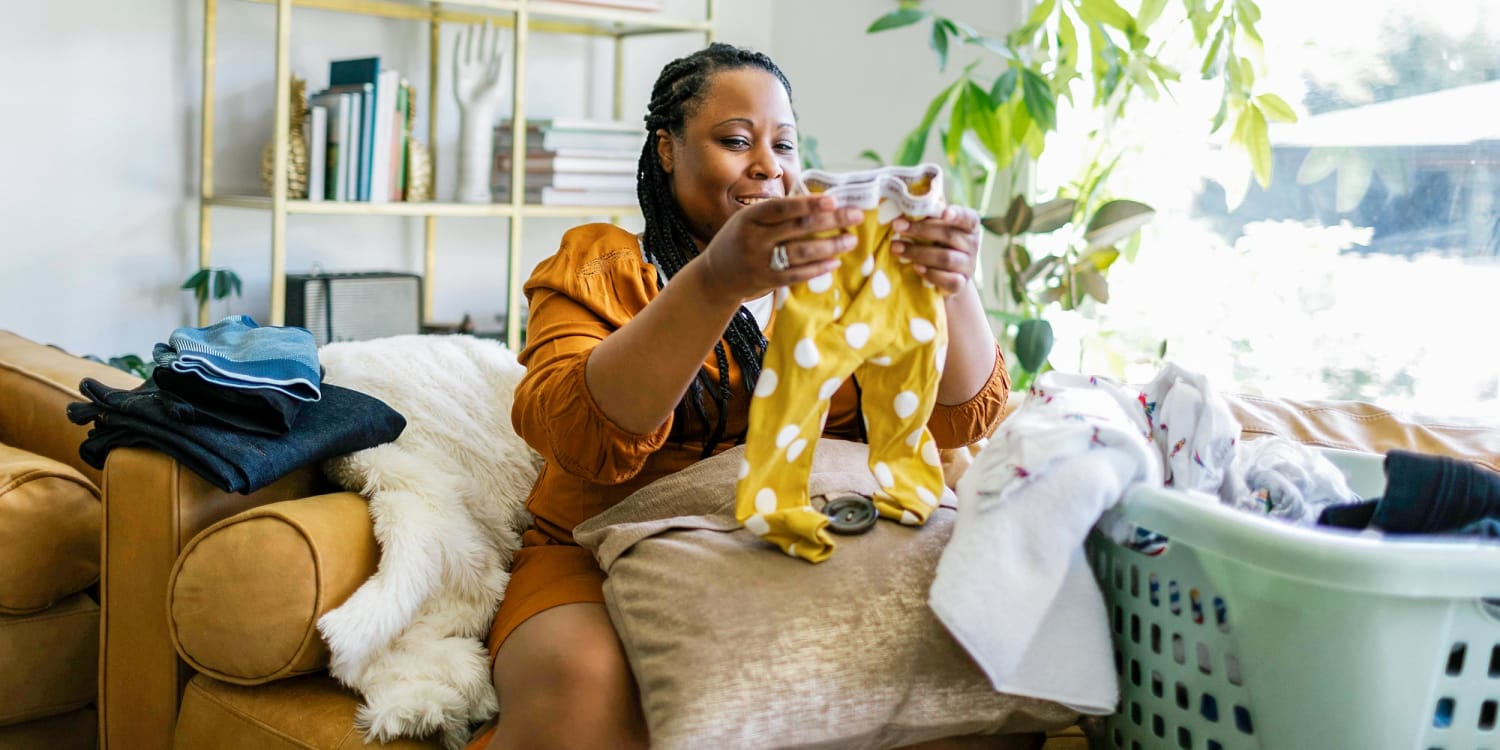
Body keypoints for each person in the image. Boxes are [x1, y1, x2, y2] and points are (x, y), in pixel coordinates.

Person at [469, 43, 1025, 750]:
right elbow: (579, 436)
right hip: (599, 547)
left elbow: (960, 418)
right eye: (736, 141)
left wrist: (952, 285)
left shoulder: (851, 277)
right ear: (666, 151)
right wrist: (716, 280)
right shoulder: (604, 265)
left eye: (784, 144)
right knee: (584, 687)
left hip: (804, 541)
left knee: (971, 665)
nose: (768, 165)